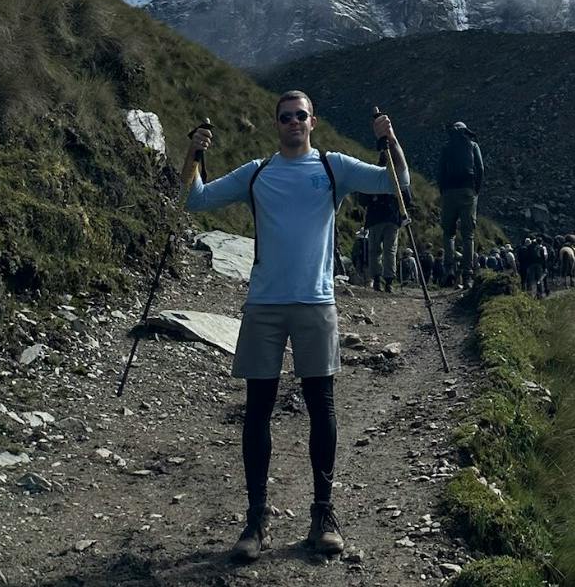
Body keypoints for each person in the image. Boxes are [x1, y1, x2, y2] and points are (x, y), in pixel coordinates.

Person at [183, 92, 410, 564]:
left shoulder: (333, 167)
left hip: (316, 302)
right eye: (285, 116)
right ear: (277, 123)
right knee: (257, 411)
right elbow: (196, 199)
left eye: (300, 116)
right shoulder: (257, 172)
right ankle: (256, 519)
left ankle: (323, 514)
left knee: (321, 406)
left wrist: (390, 140)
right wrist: (193, 155)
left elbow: (397, 182)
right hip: (264, 304)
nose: (293, 122)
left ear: (312, 121)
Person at [437, 120, 484, 290]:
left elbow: (440, 171)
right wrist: (476, 189)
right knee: (468, 236)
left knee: (448, 233)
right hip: (467, 191)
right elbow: (480, 168)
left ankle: (449, 270)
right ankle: (467, 275)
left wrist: (443, 190)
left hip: (449, 192)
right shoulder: (473, 145)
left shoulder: (446, 147)